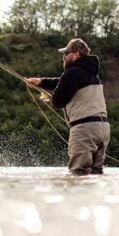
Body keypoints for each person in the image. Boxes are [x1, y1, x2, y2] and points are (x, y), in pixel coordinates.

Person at [26, 37, 110, 175]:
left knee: (78, 175)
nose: (63, 57)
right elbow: (64, 82)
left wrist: (49, 99)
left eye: (66, 53)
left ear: (76, 54)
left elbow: (57, 102)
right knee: (95, 175)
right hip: (103, 130)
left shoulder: (73, 72)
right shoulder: (91, 72)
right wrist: (41, 82)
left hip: (84, 130)